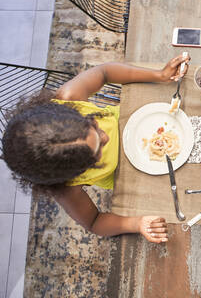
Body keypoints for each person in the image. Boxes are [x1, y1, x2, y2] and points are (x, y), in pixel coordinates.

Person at [1, 53, 190, 243]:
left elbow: (104, 72)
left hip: (134, 120)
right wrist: (137, 223)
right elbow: (94, 221)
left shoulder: (69, 98)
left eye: (94, 126)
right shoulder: (66, 188)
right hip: (128, 175)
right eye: (97, 152)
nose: (105, 136)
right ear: (75, 172)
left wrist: (159, 75)